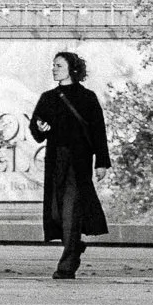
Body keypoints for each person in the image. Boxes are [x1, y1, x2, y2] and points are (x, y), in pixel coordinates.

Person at [29, 50, 110, 279]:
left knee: (71, 212)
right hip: (56, 160)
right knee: (56, 212)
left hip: (79, 160)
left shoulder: (88, 98)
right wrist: (40, 128)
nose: (54, 69)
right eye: (53, 65)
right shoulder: (48, 97)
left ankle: (66, 265)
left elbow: (98, 132)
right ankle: (74, 245)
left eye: (59, 66)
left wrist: (101, 162)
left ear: (72, 70)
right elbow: (36, 129)